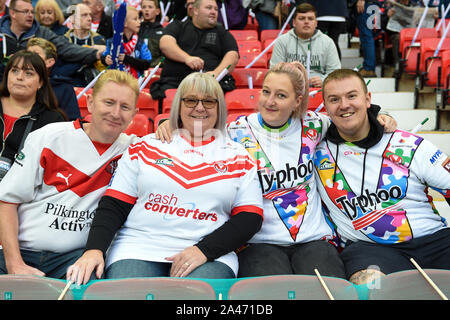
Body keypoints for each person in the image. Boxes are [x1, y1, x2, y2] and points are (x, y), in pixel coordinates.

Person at [155, 62, 396, 278]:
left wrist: (379, 115)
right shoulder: (236, 132)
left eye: (281, 95)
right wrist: (170, 123)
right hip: (258, 243)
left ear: (297, 101)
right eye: (266, 92)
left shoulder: (314, 124)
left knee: (326, 289)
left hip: (314, 240)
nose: (270, 101)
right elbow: (199, 128)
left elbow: (349, 116)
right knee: (272, 289)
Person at [65, 72, 263, 285]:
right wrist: (94, 250)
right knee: (128, 292)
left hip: (209, 253)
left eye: (208, 101)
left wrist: (203, 250)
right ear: (178, 105)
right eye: (190, 100)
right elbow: (114, 205)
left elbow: (250, 218)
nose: (199, 107)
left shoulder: (239, 155)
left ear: (219, 108)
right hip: (138, 246)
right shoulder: (145, 146)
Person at [315, 68, 450, 285]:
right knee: (372, 287)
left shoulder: (408, 144)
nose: (344, 105)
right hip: (369, 250)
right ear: (325, 107)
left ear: (368, 99)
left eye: (352, 96)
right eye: (334, 99)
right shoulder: (314, 150)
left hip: (433, 240)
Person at [0, 69, 139, 279]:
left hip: (75, 259)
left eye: (125, 107)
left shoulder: (134, 150)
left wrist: (167, 125)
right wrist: (14, 263)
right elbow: (6, 201)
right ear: (90, 103)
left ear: (134, 114)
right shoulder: (49, 137)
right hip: (21, 252)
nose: (116, 113)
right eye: (108, 103)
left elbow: (179, 135)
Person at [150, 0, 239, 100]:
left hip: (210, 86)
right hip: (175, 84)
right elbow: (165, 44)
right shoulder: (178, 26)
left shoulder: (222, 32)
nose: (214, 12)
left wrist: (216, 74)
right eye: (209, 8)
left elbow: (233, 55)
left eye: (216, 9)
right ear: (195, 10)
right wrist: (187, 58)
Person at [0, 50, 67, 183]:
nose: (19, 77)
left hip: (21, 193)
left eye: (28, 73)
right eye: (14, 71)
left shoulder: (53, 121)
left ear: (41, 82)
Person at [0, 0, 104, 79]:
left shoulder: (42, 33)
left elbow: (67, 49)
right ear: (13, 13)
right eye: (25, 12)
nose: (30, 15)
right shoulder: (1, 34)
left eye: (32, 12)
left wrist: (95, 53)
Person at [270, 3, 341, 88]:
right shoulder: (282, 41)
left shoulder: (327, 42)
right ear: (294, 22)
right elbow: (274, 71)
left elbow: (335, 72)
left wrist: (323, 80)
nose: (306, 22)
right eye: (302, 18)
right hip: (289, 88)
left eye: (310, 19)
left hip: (318, 89)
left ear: (316, 23)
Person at [27, 37, 80, 120]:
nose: (28, 58)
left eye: (35, 54)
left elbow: (72, 122)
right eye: (27, 53)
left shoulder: (64, 88)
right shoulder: (18, 83)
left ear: (49, 62)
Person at [103, 5, 152, 78]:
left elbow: (147, 63)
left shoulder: (140, 43)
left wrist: (127, 59)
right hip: (115, 79)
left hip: (136, 81)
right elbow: (104, 57)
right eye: (135, 19)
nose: (139, 22)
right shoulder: (112, 41)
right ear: (124, 23)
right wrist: (106, 60)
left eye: (139, 18)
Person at [138, 0, 164, 67]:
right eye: (144, 7)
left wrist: (150, 65)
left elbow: (164, 56)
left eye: (150, 7)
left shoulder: (163, 31)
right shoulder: (136, 29)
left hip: (154, 71)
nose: (146, 9)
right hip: (136, 68)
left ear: (157, 11)